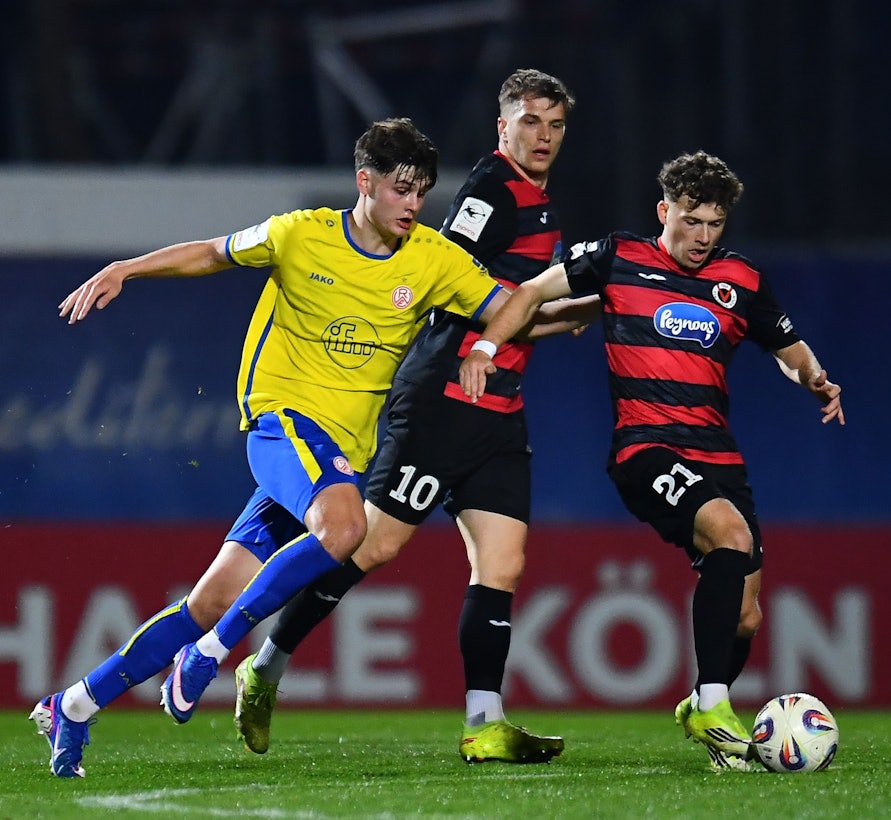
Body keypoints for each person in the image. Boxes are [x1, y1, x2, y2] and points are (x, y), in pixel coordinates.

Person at [29, 117, 584, 779]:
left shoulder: (432, 258)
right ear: (365, 183)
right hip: (281, 422)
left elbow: (513, 307)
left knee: (209, 597)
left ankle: (76, 703)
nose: (413, 204)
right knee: (346, 526)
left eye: (421, 192)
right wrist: (129, 268)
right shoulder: (302, 234)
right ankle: (214, 652)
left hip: (335, 456)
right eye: (402, 189)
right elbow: (212, 252)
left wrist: (593, 303)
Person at [233, 69, 594, 764]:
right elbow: (449, 283)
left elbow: (511, 308)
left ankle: (483, 723)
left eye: (554, 125)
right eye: (529, 122)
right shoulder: (491, 191)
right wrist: (503, 335)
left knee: (504, 563)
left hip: (499, 411)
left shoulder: (540, 202)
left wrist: (565, 315)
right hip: (443, 404)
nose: (542, 137)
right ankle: (265, 665)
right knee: (371, 546)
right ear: (502, 127)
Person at [459, 150, 845, 771]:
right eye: (691, 220)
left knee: (746, 611)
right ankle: (717, 708)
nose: (702, 237)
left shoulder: (741, 279)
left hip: (718, 454)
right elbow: (531, 291)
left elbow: (786, 345)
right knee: (730, 533)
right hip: (646, 447)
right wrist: (484, 344)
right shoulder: (619, 256)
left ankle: (700, 704)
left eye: (714, 225)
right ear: (664, 211)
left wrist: (815, 376)